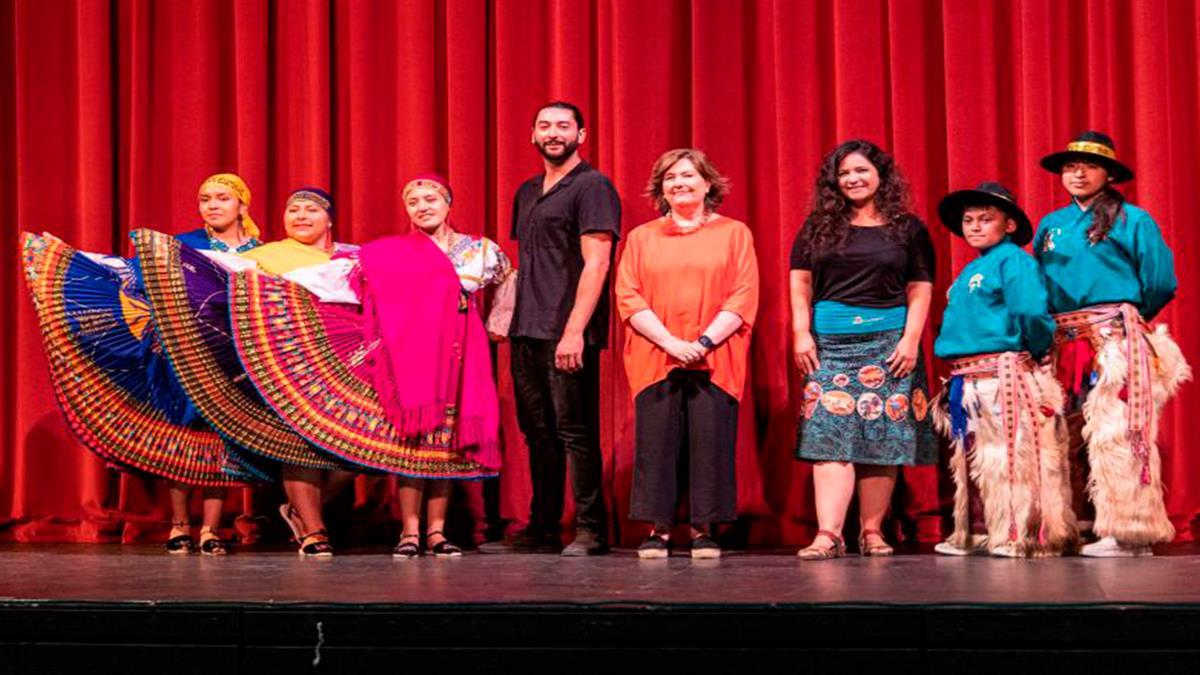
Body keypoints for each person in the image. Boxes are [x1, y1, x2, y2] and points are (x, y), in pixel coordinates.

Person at [19, 173, 263, 555]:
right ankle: (180, 524)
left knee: (220, 440)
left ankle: (211, 528)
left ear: (242, 206)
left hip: (232, 356)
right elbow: (129, 271)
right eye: (205, 199)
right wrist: (73, 257)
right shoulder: (180, 246)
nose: (213, 205)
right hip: (181, 350)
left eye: (222, 198)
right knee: (181, 435)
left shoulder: (263, 253)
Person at [134, 187, 359, 557]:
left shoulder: (355, 256)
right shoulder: (266, 256)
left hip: (346, 365)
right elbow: (213, 279)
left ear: (330, 218)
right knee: (298, 447)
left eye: (311, 210)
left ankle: (298, 512)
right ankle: (313, 530)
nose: (301, 216)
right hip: (289, 365)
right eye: (293, 210)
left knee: (351, 454)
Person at [1035, 131, 1190, 557]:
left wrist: (1125, 318)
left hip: (1112, 340)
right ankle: (1080, 523)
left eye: (1089, 166)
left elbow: (1160, 280)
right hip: (1063, 341)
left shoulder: (1132, 220)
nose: (1078, 174)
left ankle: (1127, 531)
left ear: (1109, 175)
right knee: (1065, 433)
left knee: (1117, 432)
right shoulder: (1050, 225)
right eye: (1071, 166)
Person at [790, 139, 937, 560]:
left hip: (889, 345)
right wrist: (801, 332)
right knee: (827, 436)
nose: (853, 179)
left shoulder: (908, 229)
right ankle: (828, 534)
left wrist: (911, 339)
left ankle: (871, 531)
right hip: (830, 346)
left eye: (861, 171)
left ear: (880, 176)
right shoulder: (818, 226)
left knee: (881, 436)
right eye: (844, 173)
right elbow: (800, 281)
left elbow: (920, 286)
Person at [615, 148, 758, 559]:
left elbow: (743, 294)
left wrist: (704, 343)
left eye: (688, 175)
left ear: (707, 183)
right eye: (670, 178)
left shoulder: (734, 233)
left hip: (716, 357)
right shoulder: (642, 238)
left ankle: (702, 528)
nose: (679, 183)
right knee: (657, 441)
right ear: (661, 189)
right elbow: (628, 295)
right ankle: (659, 528)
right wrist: (672, 344)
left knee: (710, 441)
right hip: (655, 356)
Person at [499, 101, 621, 556]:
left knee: (575, 430)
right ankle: (544, 524)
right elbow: (529, 263)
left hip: (568, 328)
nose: (554, 133)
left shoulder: (592, 186)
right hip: (526, 328)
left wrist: (574, 332)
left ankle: (591, 529)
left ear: (581, 135)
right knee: (538, 432)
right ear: (532, 135)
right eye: (545, 126)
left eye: (563, 126)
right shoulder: (528, 191)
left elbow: (598, 263)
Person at [929, 182, 1076, 557]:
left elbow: (1030, 311)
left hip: (1002, 373)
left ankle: (1019, 533)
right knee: (985, 459)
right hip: (970, 376)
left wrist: (1037, 350)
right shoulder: (974, 268)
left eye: (986, 219)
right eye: (969, 220)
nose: (975, 226)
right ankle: (992, 530)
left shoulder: (1014, 260)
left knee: (1013, 455)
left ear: (1009, 225)